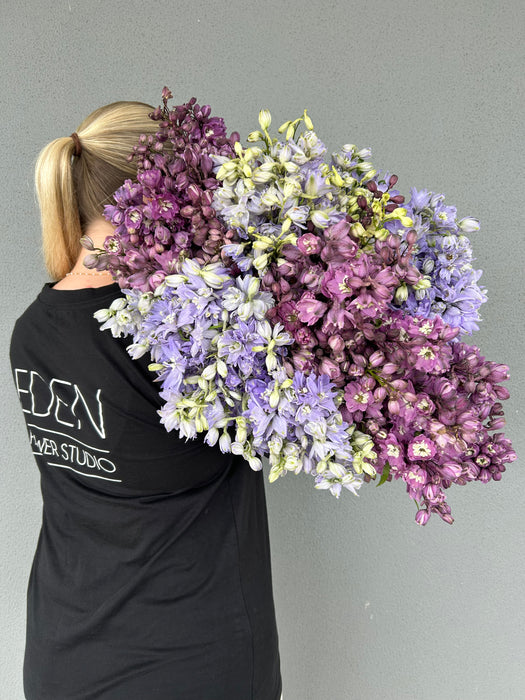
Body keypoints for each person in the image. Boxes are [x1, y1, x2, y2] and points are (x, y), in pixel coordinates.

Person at [9, 100, 283, 700]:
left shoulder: (31, 330)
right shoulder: (184, 337)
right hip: (190, 664)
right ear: (163, 195)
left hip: (64, 658)